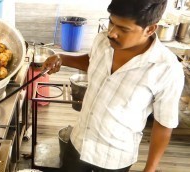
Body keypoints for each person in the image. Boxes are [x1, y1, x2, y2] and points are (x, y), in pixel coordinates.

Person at [42, 0, 185, 171]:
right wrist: (62, 58)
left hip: (114, 159)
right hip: (79, 142)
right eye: (111, 22)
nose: (112, 33)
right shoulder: (103, 40)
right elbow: (93, 61)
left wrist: (150, 169)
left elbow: (164, 124)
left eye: (124, 29)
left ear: (150, 29)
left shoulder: (167, 69)